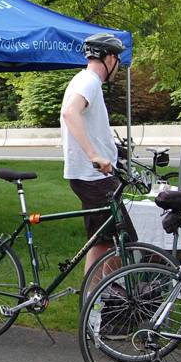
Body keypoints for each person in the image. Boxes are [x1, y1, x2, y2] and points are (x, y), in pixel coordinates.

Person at [60, 32, 138, 297]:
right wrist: (94, 155)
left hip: (93, 176)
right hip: (93, 178)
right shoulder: (89, 81)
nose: (118, 66)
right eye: (118, 60)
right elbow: (70, 112)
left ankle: (96, 300)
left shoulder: (85, 80)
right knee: (123, 240)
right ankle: (106, 297)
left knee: (103, 242)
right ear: (110, 58)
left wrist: (110, 151)